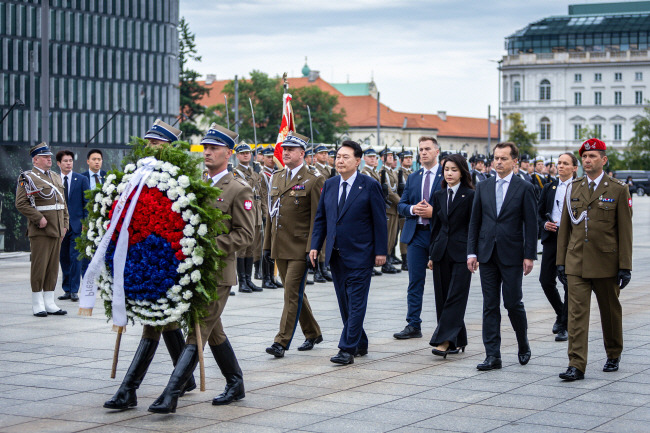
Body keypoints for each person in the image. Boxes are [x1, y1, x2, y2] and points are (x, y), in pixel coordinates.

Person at [148, 123, 255, 414]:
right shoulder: (197, 183)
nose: (207, 152)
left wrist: (207, 246)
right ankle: (235, 382)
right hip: (192, 271)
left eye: (214, 148)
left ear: (228, 154)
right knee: (212, 329)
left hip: (218, 272)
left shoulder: (238, 189)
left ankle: (171, 394)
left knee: (198, 332)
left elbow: (246, 235)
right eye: (205, 147)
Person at [103, 119, 200, 410]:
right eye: (149, 143)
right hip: (146, 257)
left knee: (158, 323)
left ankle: (128, 390)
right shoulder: (138, 174)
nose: (151, 147)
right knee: (159, 321)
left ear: (170, 146)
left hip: (172, 259)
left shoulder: (180, 177)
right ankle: (182, 380)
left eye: (157, 143)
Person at [556, 138, 633, 381]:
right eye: (584, 157)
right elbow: (565, 229)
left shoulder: (618, 189)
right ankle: (576, 364)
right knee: (577, 315)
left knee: (610, 312)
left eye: (592, 156)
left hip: (606, 263)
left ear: (603, 159)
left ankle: (613, 352)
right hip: (577, 261)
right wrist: (560, 261)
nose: (587, 161)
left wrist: (625, 266)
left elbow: (625, 231)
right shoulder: (573, 187)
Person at [310, 140, 387, 364]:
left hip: (361, 253)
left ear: (357, 161)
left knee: (356, 302)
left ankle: (347, 348)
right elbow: (322, 219)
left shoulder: (369, 185)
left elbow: (380, 221)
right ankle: (359, 341)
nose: (340, 160)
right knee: (344, 303)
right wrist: (315, 245)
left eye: (345, 157)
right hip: (336, 254)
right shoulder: (331, 184)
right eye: (338, 157)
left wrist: (381, 251)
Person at [467, 142, 537, 371]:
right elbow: (475, 222)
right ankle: (492, 355)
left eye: (503, 158)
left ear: (514, 161)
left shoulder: (524, 187)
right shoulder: (484, 187)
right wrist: (472, 252)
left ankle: (523, 342)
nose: (498, 162)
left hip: (512, 254)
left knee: (512, 302)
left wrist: (529, 255)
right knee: (489, 305)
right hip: (487, 254)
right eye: (495, 158)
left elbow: (531, 224)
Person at [264, 132, 324, 358]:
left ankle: (281, 342)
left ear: (302, 154)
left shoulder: (314, 179)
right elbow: (273, 214)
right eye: (284, 149)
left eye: (291, 149)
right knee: (296, 292)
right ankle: (313, 333)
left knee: (291, 293)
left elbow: (317, 218)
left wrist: (313, 248)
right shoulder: (277, 177)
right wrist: (268, 245)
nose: (285, 152)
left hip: (301, 247)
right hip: (280, 245)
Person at [394, 136, 443, 339]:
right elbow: (401, 205)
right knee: (415, 282)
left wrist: (435, 212)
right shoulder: (414, 177)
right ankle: (413, 324)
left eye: (427, 149)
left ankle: (445, 326)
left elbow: (456, 206)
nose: (423, 153)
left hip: (439, 236)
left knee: (442, 283)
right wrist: (413, 209)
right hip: (416, 235)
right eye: (421, 149)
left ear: (437, 151)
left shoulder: (446, 175)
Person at [427, 154, 475, 358]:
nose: (449, 173)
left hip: (463, 253)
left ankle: (444, 340)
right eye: (446, 169)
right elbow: (435, 227)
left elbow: (474, 226)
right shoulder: (439, 195)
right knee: (443, 297)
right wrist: (431, 254)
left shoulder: (471, 195)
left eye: (454, 170)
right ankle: (458, 340)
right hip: (441, 252)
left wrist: (474, 253)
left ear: (462, 172)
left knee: (456, 296)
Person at [15, 142, 69, 317]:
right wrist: (39, 218)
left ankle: (49, 301)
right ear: (35, 159)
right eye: (45, 157)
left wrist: (65, 224)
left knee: (53, 268)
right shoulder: (27, 177)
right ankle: (37, 303)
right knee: (39, 267)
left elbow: (62, 204)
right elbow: (21, 203)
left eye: (50, 157)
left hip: (57, 229)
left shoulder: (55, 176)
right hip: (41, 230)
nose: (49, 159)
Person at [537, 152, 578, 343]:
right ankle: (561, 312)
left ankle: (565, 325)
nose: (560, 166)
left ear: (574, 168)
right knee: (546, 280)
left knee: (569, 282)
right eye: (559, 163)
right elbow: (538, 214)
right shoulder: (549, 187)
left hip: (572, 240)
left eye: (565, 163)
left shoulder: (580, 188)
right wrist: (545, 225)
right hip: (552, 238)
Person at [55, 150, 89, 302]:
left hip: (77, 226)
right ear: (58, 163)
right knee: (64, 258)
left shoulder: (81, 179)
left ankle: (74, 290)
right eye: (65, 161)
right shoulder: (54, 180)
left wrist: (85, 223)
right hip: (60, 226)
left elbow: (88, 203)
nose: (69, 163)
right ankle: (67, 290)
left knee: (76, 258)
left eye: (70, 161)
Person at [233, 142, 263, 293]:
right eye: (242, 153)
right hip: (244, 213)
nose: (246, 155)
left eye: (248, 153)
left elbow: (259, 192)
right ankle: (242, 281)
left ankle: (249, 279)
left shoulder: (253, 169)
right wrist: (256, 175)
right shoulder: (236, 172)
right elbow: (246, 187)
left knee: (252, 247)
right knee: (243, 248)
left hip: (255, 212)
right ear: (237, 156)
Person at [259, 146, 283, 290]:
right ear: (263, 158)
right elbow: (262, 196)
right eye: (268, 157)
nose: (271, 160)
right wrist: (265, 214)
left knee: (274, 247)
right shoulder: (262, 175)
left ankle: (272, 277)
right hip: (266, 214)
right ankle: (265, 278)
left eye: (272, 157)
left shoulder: (276, 174)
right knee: (265, 247)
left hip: (275, 214)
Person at [379, 148, 401, 274]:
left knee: (392, 237)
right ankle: (385, 263)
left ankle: (388, 261)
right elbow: (390, 193)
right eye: (388, 156)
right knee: (387, 237)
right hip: (388, 209)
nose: (391, 157)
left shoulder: (391, 171)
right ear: (382, 158)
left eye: (392, 155)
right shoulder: (383, 172)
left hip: (394, 209)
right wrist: (402, 203)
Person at [398, 150, 414, 271]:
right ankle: (405, 260)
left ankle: (409, 258)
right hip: (403, 208)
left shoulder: (412, 173)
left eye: (410, 158)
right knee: (404, 234)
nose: (409, 160)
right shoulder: (399, 173)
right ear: (400, 160)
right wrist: (401, 203)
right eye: (406, 158)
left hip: (412, 207)